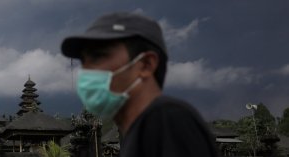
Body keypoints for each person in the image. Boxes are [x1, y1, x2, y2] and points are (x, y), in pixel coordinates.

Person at [61, 12, 218, 157]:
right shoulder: (137, 131)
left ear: (146, 64)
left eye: (98, 57)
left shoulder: (166, 120)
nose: (87, 71)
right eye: (84, 62)